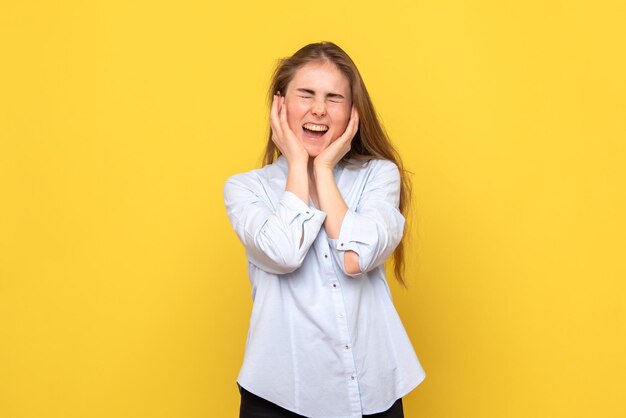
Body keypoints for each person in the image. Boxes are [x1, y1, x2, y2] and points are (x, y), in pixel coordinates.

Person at [224, 41, 426, 418]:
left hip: (370, 392)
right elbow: (285, 253)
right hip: (278, 397)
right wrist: (299, 164)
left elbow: (355, 258)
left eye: (334, 98)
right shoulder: (245, 189)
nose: (319, 108)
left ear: (352, 112)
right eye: (307, 94)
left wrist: (324, 170)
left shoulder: (378, 176)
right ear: (280, 104)